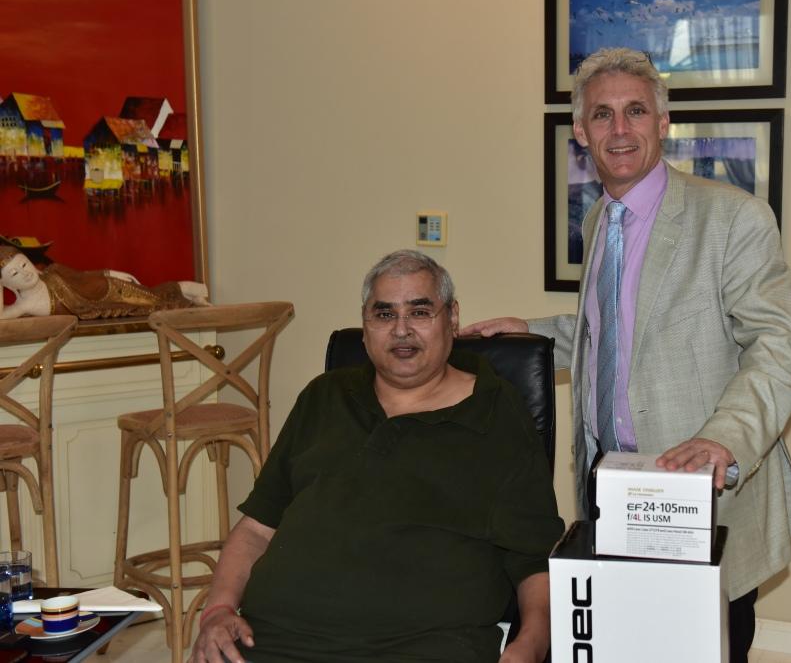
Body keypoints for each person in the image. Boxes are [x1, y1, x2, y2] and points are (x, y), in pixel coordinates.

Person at [462, 47, 791, 662]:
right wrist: (532, 331)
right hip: (613, 491)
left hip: (700, 495)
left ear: (663, 122)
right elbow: (618, 332)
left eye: (636, 111)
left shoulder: (733, 218)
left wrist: (724, 438)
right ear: (581, 132)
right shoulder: (602, 217)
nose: (619, 129)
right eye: (602, 114)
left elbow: (777, 345)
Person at [189, 250, 564, 663]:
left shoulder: (496, 412)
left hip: (423, 647)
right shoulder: (324, 396)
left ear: (452, 318)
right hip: (273, 641)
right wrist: (218, 610)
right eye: (384, 314)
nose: (401, 330)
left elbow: (535, 559)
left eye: (419, 312)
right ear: (365, 325)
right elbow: (257, 529)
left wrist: (530, 645)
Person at [0, 245, 209, 319]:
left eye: (24, 265)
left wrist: (112, 273)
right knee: (154, 303)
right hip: (102, 307)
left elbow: (84, 276)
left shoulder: (53, 272)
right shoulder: (25, 305)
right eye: (14, 274)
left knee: (154, 299)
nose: (25, 273)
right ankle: (192, 293)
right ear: (8, 284)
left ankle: (192, 289)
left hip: (109, 288)